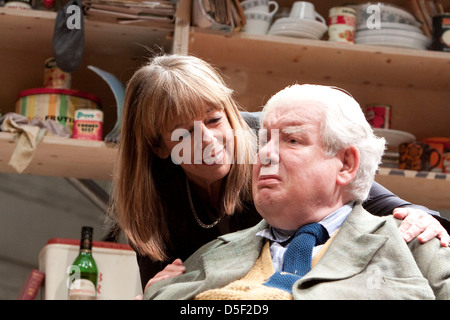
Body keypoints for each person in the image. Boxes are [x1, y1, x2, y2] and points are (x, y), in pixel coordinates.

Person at [107, 54, 449, 291]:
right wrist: (156, 292)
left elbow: (353, 183)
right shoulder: (152, 194)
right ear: (158, 147)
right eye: (185, 133)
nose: (209, 140)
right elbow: (165, 286)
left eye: (214, 120)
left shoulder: (268, 136)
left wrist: (420, 215)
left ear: (230, 112)